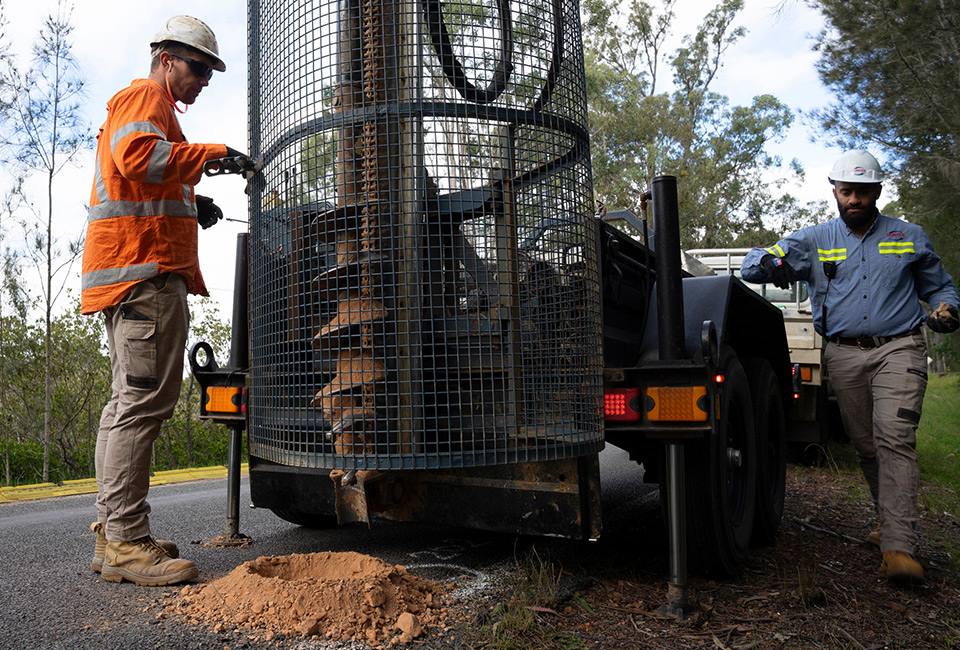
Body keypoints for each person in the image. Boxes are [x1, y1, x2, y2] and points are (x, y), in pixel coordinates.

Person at [741, 149, 959, 586]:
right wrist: (771, 264)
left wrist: (946, 310)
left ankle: (900, 545)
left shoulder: (909, 236)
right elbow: (754, 263)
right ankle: (888, 519)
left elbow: (941, 288)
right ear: (834, 191)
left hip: (899, 347)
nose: (855, 198)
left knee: (894, 438)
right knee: (867, 445)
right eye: (847, 190)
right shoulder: (814, 239)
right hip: (842, 354)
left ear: (878, 191)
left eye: (863, 190)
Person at [81, 15, 248, 586]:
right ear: (166, 58)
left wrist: (189, 200)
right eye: (198, 67)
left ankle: (113, 534)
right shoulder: (146, 97)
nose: (203, 80)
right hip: (145, 276)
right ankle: (127, 541)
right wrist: (212, 153)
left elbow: (144, 177)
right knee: (144, 404)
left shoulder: (148, 107)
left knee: (125, 402)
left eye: (209, 72)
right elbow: (138, 159)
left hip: (130, 273)